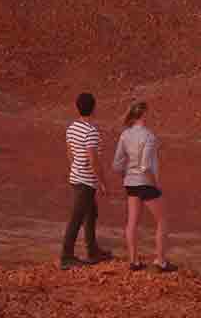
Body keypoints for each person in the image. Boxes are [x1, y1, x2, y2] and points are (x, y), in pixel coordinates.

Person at [111, 100, 176, 273]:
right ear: (144, 114)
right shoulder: (149, 136)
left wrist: (127, 176)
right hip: (146, 183)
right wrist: (154, 184)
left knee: (132, 222)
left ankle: (134, 261)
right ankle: (160, 261)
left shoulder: (125, 135)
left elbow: (117, 164)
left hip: (131, 184)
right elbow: (145, 165)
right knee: (163, 220)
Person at [60, 92, 113, 269]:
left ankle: (93, 251)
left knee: (91, 213)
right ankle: (66, 257)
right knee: (77, 217)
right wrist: (102, 182)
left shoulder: (72, 128)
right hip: (86, 181)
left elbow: (69, 153)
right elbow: (94, 160)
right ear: (94, 108)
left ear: (77, 108)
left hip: (76, 177)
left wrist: (76, 168)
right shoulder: (91, 132)